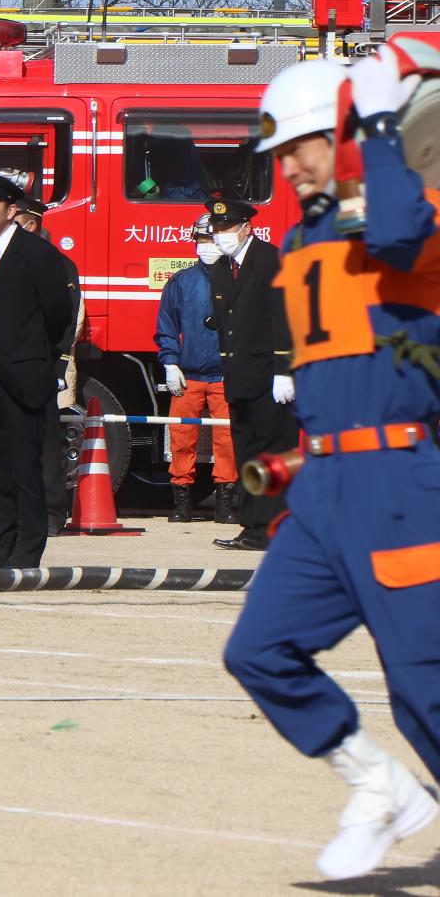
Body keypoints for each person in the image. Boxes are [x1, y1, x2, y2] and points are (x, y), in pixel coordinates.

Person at [221, 51, 440, 881]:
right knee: (260, 648)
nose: (289, 167)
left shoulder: (410, 212)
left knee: (425, 690)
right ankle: (380, 787)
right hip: (323, 487)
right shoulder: (307, 233)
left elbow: (396, 231)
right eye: (280, 153)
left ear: (347, 133)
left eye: (302, 145)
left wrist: (379, 125)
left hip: (399, 482)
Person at [0, 172, 73, 570]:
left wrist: (38, 357)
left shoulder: (38, 254)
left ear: (11, 210)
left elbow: (58, 314)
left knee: (25, 465)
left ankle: (27, 548)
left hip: (23, 375)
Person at [206, 192, 297, 552]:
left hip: (271, 376)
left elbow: (285, 316)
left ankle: (276, 528)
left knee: (273, 453)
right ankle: (252, 527)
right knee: (247, 454)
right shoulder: (220, 268)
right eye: (216, 228)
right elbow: (226, 324)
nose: (221, 234)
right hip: (240, 376)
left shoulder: (270, 260)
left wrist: (285, 369)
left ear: (246, 228)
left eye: (227, 227)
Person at [155, 214, 235, 523]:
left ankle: (225, 506)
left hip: (224, 376)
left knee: (227, 441)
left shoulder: (237, 279)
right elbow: (167, 325)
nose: (207, 245)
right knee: (181, 439)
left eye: (211, 239)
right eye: (202, 239)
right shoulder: (181, 281)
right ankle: (181, 505)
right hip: (188, 375)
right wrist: (170, 363)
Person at [16, 194, 83, 533]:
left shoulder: (57, 264)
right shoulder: (5, 261)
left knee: (44, 441)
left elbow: (67, 320)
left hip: (41, 362)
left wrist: (58, 364)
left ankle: (52, 512)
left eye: (13, 219)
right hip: (10, 362)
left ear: (30, 225)